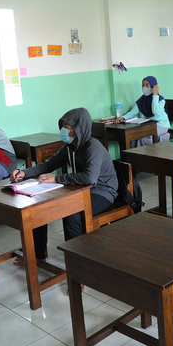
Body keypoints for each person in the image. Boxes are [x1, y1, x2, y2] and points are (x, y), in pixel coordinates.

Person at [10, 107, 118, 259]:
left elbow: (89, 178)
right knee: (39, 206)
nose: (63, 130)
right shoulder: (69, 146)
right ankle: (37, 253)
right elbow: (49, 164)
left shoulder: (92, 147)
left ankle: (77, 259)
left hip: (102, 192)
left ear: (79, 129)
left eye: (68, 127)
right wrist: (25, 173)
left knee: (72, 213)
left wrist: (56, 178)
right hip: (80, 189)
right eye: (63, 126)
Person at [115, 76, 171, 146]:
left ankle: (144, 155)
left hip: (162, 124)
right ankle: (134, 155)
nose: (144, 87)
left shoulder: (160, 99)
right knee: (134, 136)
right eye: (143, 85)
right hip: (150, 124)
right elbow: (133, 111)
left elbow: (155, 111)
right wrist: (123, 117)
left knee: (144, 137)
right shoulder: (143, 99)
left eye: (147, 85)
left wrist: (155, 95)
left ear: (153, 86)